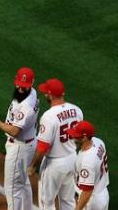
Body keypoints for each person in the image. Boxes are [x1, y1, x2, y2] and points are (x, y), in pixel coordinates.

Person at [0, 67, 39, 210]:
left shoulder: (26, 106)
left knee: (12, 188)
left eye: (24, 86)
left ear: (32, 83)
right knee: (22, 182)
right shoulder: (32, 93)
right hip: (28, 143)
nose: (20, 89)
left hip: (19, 147)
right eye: (19, 85)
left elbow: (15, 131)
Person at [28, 79, 84, 210]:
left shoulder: (49, 116)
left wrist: (32, 166)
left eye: (46, 93)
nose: (44, 95)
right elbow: (80, 138)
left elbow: (42, 147)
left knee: (46, 202)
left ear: (51, 95)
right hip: (72, 159)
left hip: (54, 164)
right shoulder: (77, 110)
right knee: (69, 200)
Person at [69, 121, 109, 210]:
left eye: (76, 136)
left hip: (92, 202)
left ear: (84, 138)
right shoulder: (98, 141)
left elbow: (87, 191)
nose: (73, 137)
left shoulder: (87, 162)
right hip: (102, 192)